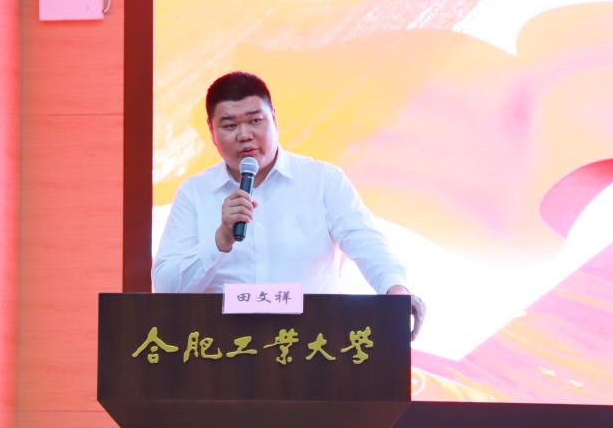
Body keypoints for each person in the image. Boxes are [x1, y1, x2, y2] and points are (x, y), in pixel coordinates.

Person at [153, 71, 426, 339]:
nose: (244, 135)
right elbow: (165, 288)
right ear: (212, 132)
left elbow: (364, 240)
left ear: (274, 118)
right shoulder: (194, 193)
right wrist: (220, 240)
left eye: (255, 120)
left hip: (311, 342)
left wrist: (395, 289)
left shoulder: (322, 180)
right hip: (223, 347)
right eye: (229, 126)